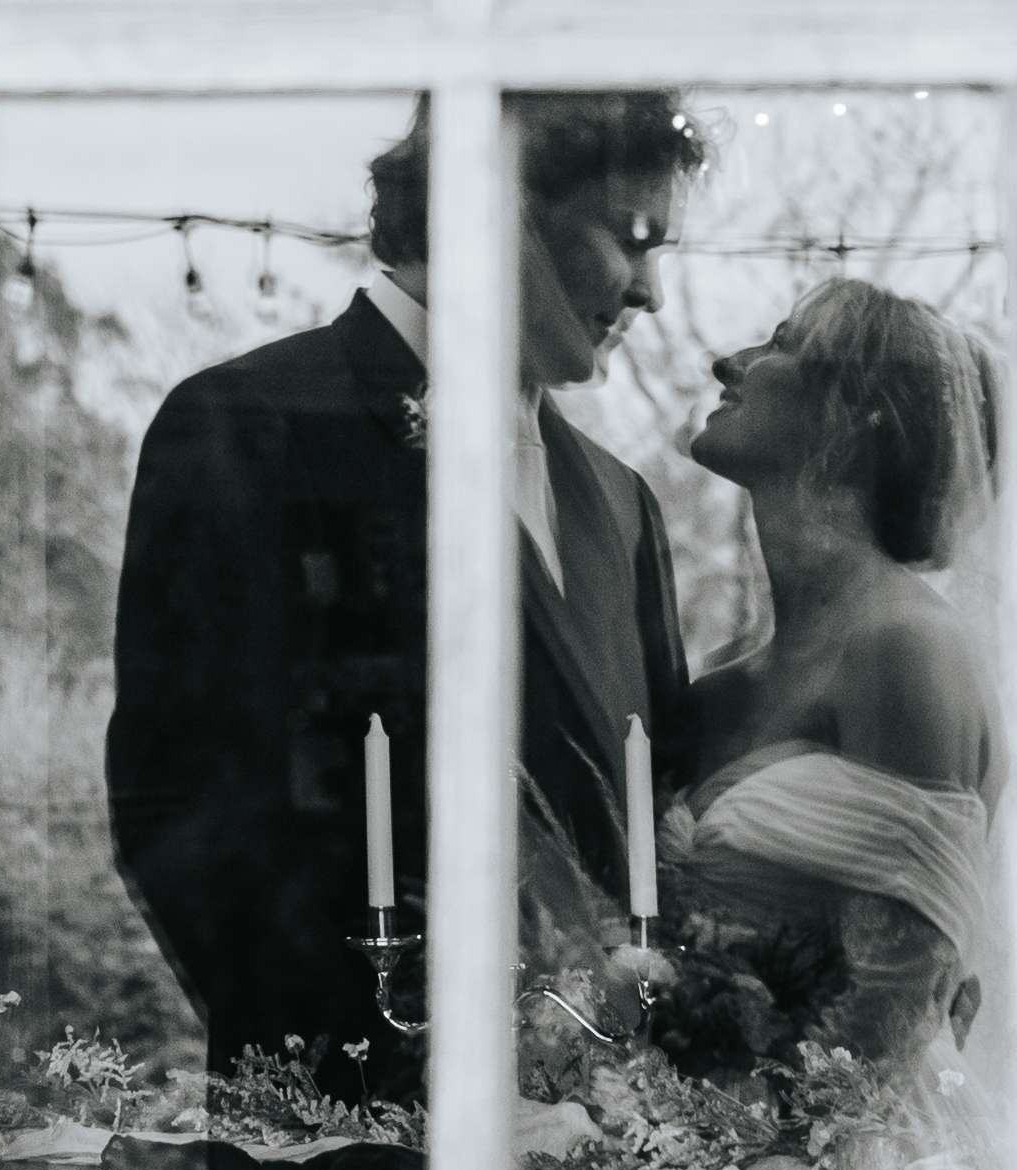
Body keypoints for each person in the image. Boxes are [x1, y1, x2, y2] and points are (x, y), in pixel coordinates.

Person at [587, 279, 1009, 1170]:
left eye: (777, 347)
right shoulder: (722, 691)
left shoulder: (912, 650)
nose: (725, 351)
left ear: (860, 420)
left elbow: (909, 993)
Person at [106, 93, 702, 1111]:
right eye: (631, 238)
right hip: (349, 1167)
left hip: (602, 1169)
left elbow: (649, 828)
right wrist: (373, 1072)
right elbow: (180, 807)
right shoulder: (252, 425)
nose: (649, 290)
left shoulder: (623, 506)